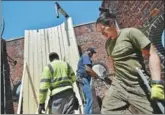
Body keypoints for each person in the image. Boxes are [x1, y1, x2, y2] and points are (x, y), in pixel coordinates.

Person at [96, 11, 164, 114]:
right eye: (99, 32)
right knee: (107, 111)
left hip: (137, 84)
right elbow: (114, 64)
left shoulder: (130, 33)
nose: (102, 34)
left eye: (103, 29)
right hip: (119, 84)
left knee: (154, 112)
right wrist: (113, 83)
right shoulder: (108, 44)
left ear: (111, 23)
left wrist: (156, 83)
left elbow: (152, 54)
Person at [76, 47, 98, 114]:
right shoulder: (86, 56)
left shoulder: (85, 57)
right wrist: (96, 75)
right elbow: (88, 69)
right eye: (92, 53)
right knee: (89, 99)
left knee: (87, 100)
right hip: (83, 79)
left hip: (81, 79)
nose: (92, 55)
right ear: (89, 52)